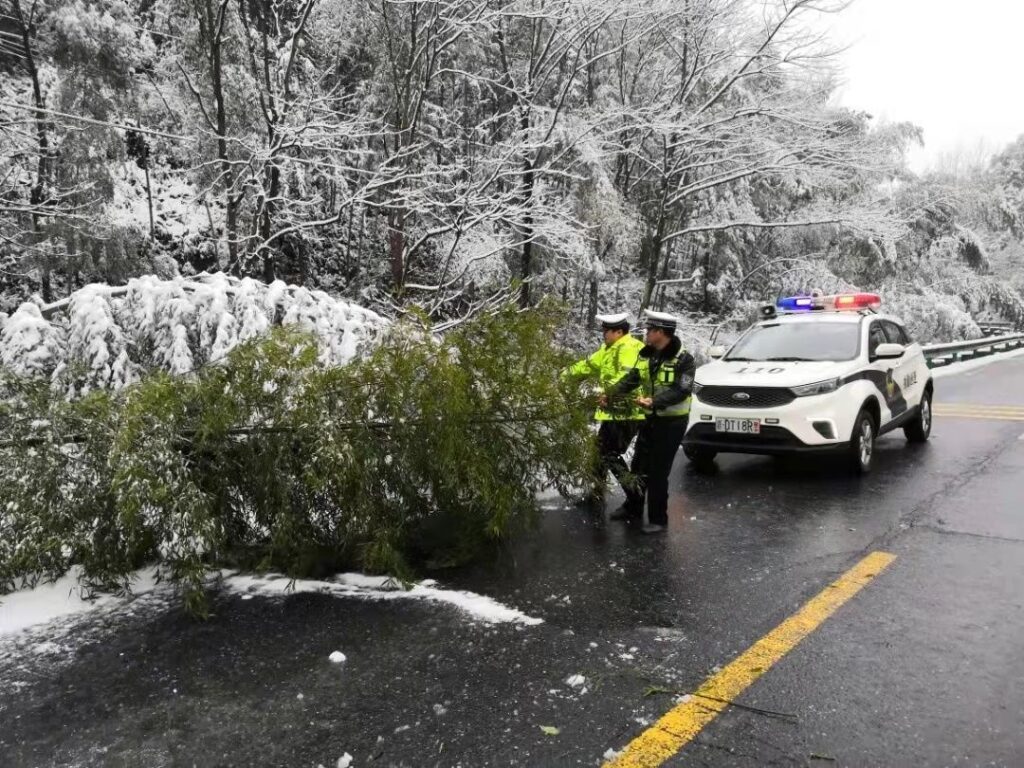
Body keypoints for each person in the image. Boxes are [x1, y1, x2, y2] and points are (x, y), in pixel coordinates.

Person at [609, 310, 696, 534]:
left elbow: (682, 390)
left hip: (671, 423)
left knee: (658, 472)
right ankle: (633, 508)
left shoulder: (684, 359)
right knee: (638, 467)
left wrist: (655, 401)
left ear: (661, 332)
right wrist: (610, 393)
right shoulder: (647, 355)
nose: (646, 334)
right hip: (649, 420)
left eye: (650, 330)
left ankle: (658, 519)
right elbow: (632, 379)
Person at [564, 312, 647, 506]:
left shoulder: (632, 348)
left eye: (607, 332)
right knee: (599, 452)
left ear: (619, 331)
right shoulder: (608, 349)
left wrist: (606, 394)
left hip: (627, 413)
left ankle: (635, 494)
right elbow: (588, 365)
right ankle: (596, 494)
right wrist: (565, 374)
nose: (604, 335)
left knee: (609, 454)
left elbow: (627, 380)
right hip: (612, 413)